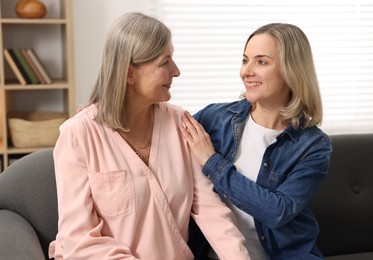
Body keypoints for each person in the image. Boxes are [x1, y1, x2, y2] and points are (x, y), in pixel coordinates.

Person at [48, 12, 250, 260]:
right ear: (129, 73)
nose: (176, 71)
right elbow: (78, 240)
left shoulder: (180, 123)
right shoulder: (78, 134)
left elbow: (210, 209)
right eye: (165, 62)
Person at [180, 23, 333, 260]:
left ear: (292, 71)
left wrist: (212, 162)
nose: (246, 72)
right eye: (245, 60)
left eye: (261, 62)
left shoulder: (313, 146)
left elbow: (277, 211)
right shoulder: (215, 119)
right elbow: (161, 134)